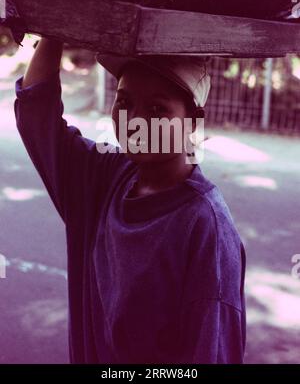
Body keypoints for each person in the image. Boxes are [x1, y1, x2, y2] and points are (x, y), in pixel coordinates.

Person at [14, 37, 246, 364]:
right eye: (124, 102)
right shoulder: (103, 179)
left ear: (192, 122)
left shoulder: (206, 228)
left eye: (157, 109)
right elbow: (36, 114)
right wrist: (55, 31)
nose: (134, 122)